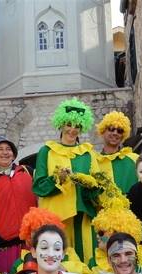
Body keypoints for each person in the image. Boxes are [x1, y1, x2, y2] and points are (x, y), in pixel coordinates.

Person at [33, 98, 98, 264]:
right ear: (61, 124)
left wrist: (90, 184)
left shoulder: (88, 153)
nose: (72, 129)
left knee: (87, 258)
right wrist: (57, 179)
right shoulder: (46, 151)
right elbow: (38, 187)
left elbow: (99, 186)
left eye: (77, 126)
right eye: (69, 124)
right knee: (60, 260)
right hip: (56, 217)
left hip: (83, 215)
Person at [0, 135, 37, 274]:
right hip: (6, 245)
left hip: (31, 241)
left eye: (8, 149)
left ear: (13, 154)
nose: (5, 152)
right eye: (0, 149)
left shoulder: (28, 172)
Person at [7, 207, 92, 274]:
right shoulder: (19, 263)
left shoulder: (67, 255)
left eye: (44, 230)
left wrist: (62, 267)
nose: (40, 235)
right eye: (35, 231)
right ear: (28, 235)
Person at [93, 111, 139, 193]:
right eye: (111, 129)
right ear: (103, 131)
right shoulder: (94, 162)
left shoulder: (134, 159)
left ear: (123, 135)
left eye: (120, 131)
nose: (115, 133)